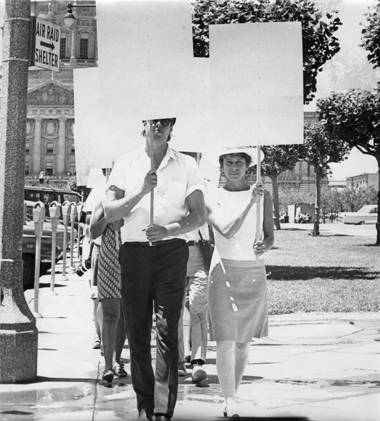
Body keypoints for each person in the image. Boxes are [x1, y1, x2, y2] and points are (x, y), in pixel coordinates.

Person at [103, 118, 205, 421]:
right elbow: (110, 212)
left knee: (166, 331)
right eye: (153, 122)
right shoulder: (126, 162)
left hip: (171, 252)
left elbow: (198, 216)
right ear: (142, 126)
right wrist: (140, 192)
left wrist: (169, 229)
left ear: (172, 128)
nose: (158, 127)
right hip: (134, 253)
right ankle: (145, 405)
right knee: (136, 332)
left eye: (165, 123)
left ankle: (161, 409)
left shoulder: (187, 164)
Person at [205, 148, 274, 418]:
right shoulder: (211, 196)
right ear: (221, 166)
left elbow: (269, 236)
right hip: (222, 271)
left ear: (248, 165)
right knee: (225, 340)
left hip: (253, 271)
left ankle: (235, 391)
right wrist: (249, 203)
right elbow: (228, 230)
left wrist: (263, 246)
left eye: (239, 162)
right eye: (229, 162)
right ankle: (229, 399)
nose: (234, 167)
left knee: (244, 341)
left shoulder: (263, 196)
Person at [90, 187, 128, 384]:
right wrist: (107, 218)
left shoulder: (137, 198)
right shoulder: (103, 202)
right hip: (109, 260)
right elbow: (92, 232)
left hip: (131, 259)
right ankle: (107, 365)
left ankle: (117, 359)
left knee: (124, 315)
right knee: (111, 313)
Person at [178, 224, 210, 385]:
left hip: (199, 254)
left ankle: (198, 361)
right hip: (176, 254)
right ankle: (179, 361)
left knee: (198, 308)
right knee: (175, 313)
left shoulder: (205, 199)